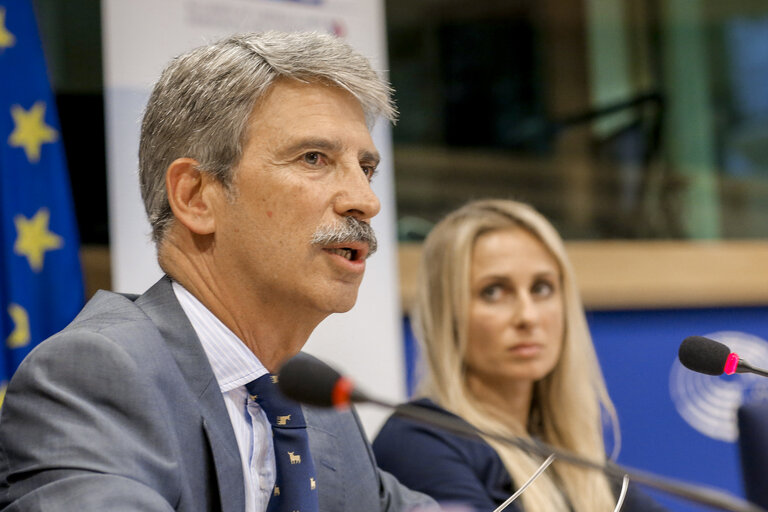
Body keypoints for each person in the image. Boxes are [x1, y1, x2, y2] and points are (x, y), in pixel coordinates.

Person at [0, 32, 437, 512]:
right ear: (194, 196)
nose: (366, 201)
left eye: (366, 168)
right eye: (314, 158)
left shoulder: (314, 404)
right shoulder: (95, 376)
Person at [373, 199, 666, 512]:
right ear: (447, 314)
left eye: (541, 288)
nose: (528, 316)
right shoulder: (420, 441)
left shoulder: (565, 453)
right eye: (494, 291)